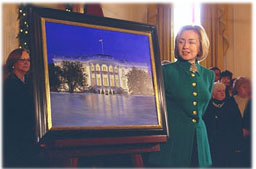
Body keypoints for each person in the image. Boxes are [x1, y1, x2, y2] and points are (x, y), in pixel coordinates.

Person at [148, 25, 215, 167]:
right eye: (181, 41)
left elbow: (202, 110)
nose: (185, 46)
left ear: (200, 46)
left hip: (200, 141)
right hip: (173, 143)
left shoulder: (209, 75)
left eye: (191, 42)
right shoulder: (165, 72)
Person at [3, 48, 40, 167]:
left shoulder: (29, 83)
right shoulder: (8, 84)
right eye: (22, 60)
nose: (26, 63)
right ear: (14, 63)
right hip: (15, 139)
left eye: (28, 60)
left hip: (27, 138)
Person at [203, 82, 243, 167]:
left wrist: (239, 144)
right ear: (212, 94)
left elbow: (238, 125)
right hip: (213, 145)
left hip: (229, 144)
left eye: (223, 91)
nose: (222, 93)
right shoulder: (207, 106)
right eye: (219, 91)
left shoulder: (231, 104)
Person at [232, 76, 252, 167]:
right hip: (236, 134)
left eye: (246, 87)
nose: (244, 89)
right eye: (242, 87)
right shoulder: (231, 100)